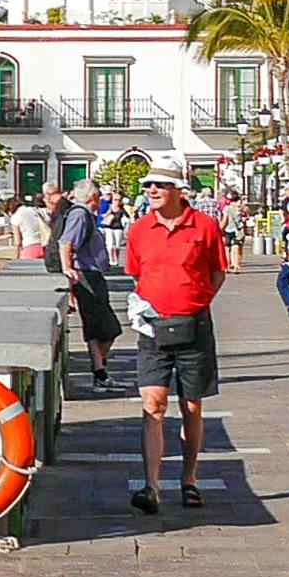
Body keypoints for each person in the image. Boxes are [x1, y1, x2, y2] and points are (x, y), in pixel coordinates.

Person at [120, 169, 232, 512]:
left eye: (159, 185)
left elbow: (218, 272)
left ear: (177, 190)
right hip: (153, 328)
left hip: (194, 326)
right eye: (147, 185)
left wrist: (196, 302)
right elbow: (138, 274)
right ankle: (151, 486)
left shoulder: (204, 226)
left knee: (191, 406)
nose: (152, 190)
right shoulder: (139, 230)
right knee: (153, 403)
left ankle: (189, 478)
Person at [62, 174, 126, 382]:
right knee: (107, 327)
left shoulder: (86, 215)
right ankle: (99, 370)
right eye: (99, 197)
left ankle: (100, 370)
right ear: (93, 196)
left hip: (92, 274)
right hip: (87, 275)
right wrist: (67, 268)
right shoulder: (80, 215)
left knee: (97, 327)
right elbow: (66, 243)